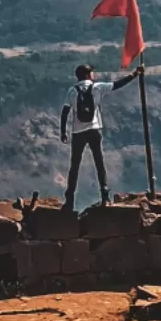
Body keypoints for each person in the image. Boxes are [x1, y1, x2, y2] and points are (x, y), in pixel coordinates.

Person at [60, 61, 141, 211]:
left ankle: (69, 201)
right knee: (99, 162)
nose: (93, 74)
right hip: (94, 129)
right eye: (91, 72)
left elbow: (65, 111)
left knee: (74, 166)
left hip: (78, 132)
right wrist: (134, 74)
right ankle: (105, 196)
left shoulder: (72, 91)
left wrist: (63, 132)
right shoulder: (97, 87)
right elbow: (117, 84)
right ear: (87, 74)